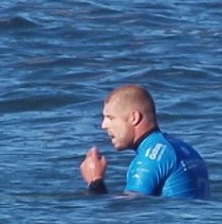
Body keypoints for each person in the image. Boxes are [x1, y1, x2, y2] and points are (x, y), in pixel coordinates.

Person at [80, 84, 210, 199]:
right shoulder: (184, 148)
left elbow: (127, 213)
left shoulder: (149, 159)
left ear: (134, 118)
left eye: (110, 117)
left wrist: (95, 181)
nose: (103, 125)